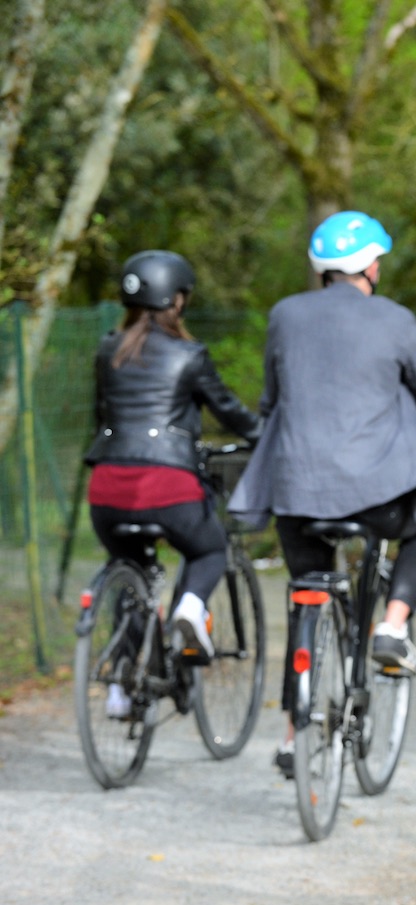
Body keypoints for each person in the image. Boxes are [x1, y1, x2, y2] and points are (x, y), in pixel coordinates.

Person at [227, 210, 416, 776]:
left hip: (296, 492)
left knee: (305, 595)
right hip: (377, 495)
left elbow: (271, 402)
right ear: (370, 265)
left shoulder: (285, 316)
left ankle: (294, 737)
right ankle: (392, 624)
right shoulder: (394, 320)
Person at [85, 250, 262, 717]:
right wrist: (266, 436)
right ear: (176, 302)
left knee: (129, 573)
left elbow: (101, 418)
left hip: (106, 488)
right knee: (209, 549)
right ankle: (189, 608)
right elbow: (230, 412)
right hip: (167, 485)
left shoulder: (107, 350)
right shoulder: (189, 355)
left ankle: (122, 690)